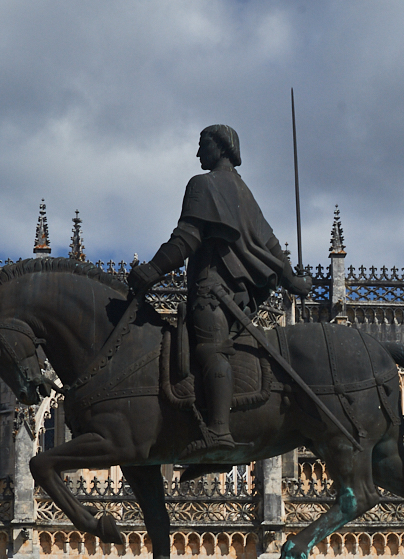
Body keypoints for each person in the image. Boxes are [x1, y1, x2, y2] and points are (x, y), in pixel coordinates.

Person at [129, 124, 311, 455]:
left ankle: (218, 431)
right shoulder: (243, 191)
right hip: (241, 298)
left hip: (213, 292)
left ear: (222, 147)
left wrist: (152, 270)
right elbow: (270, 244)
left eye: (203, 146)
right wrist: (295, 283)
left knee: (211, 350)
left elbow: (187, 237)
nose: (198, 153)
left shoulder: (204, 185)